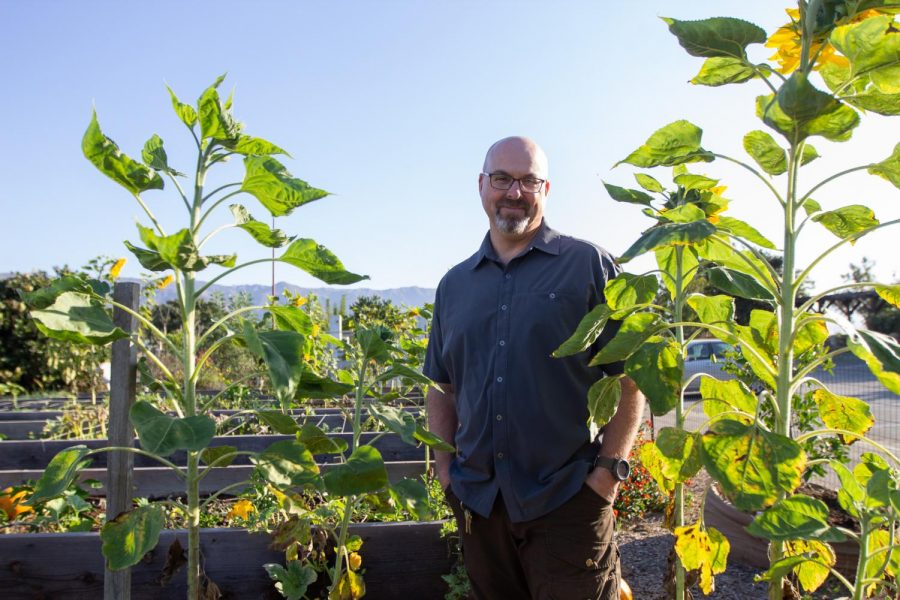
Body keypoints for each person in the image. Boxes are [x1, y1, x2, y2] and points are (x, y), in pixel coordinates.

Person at [424, 136, 646, 600]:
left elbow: (630, 378)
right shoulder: (455, 285)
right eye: (502, 179)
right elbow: (442, 386)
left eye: (529, 180)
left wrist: (607, 475)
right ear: (482, 185)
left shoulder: (588, 265)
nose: (514, 192)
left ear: (546, 189)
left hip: (566, 498)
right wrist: (446, 473)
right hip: (480, 504)